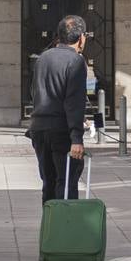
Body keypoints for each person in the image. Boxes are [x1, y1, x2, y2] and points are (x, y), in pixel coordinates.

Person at [28, 15, 88, 204]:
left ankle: (50, 228)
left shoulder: (42, 58)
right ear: (81, 38)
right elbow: (74, 101)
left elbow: (34, 92)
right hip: (61, 131)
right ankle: (67, 229)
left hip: (39, 128)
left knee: (49, 182)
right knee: (67, 183)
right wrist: (76, 138)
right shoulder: (76, 61)